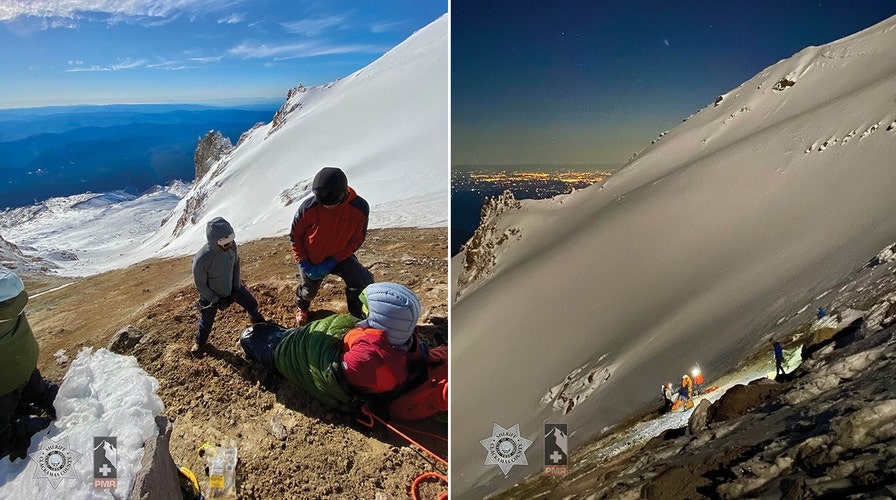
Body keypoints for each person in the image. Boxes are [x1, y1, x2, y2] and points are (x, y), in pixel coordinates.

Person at [239, 282, 427, 409]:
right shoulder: (404, 344)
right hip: (300, 342)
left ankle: (269, 337)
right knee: (273, 331)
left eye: (366, 314)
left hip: (290, 355)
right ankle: (279, 332)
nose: (361, 318)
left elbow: (325, 368)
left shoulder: (366, 360)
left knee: (248, 337)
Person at [289, 167, 374, 326]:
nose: (328, 206)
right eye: (323, 202)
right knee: (308, 291)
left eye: (332, 202)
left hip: (340, 256)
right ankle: (302, 307)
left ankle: (356, 315)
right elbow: (295, 236)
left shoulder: (359, 208)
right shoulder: (308, 208)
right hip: (312, 258)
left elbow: (357, 239)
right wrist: (304, 263)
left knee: (362, 280)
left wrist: (335, 259)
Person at [1, 269, 58, 461]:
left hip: (3, 382)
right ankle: (49, 400)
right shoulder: (10, 285)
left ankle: (25, 431)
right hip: (24, 360)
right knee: (35, 389)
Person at [191, 217, 265, 356]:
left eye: (231, 241)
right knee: (206, 322)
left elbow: (236, 264)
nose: (230, 245)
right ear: (215, 242)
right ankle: (200, 342)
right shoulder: (202, 259)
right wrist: (216, 300)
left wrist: (236, 287)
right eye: (225, 244)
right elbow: (200, 285)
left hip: (232, 288)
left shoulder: (232, 245)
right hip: (212, 296)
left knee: (252, 304)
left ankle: (256, 321)